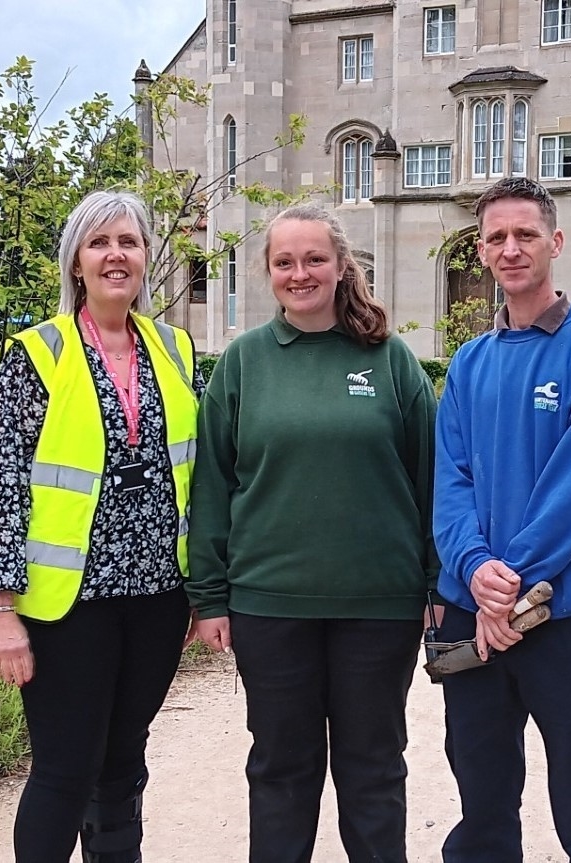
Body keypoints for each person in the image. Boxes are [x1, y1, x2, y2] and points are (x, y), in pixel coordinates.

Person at [0, 189, 203, 863]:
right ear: (76, 261)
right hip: (68, 606)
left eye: (129, 242)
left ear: (146, 257)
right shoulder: (39, 353)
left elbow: (200, 474)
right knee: (65, 770)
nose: (116, 255)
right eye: (99, 243)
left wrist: (204, 587)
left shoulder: (175, 349)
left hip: (157, 599)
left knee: (123, 764)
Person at [185, 203, 438, 863]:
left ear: (341, 265)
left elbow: (432, 479)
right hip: (269, 605)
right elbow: (212, 485)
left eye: (314, 258)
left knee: (374, 768)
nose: (300, 273)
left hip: (380, 606)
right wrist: (209, 596)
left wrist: (437, 583)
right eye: (285, 261)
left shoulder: (390, 361)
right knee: (281, 770)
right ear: (268, 271)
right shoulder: (243, 363)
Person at [432, 176, 571, 862]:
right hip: (474, 616)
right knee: (482, 805)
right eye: (496, 237)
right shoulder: (469, 364)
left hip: (564, 616)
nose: (511, 248)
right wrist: (476, 572)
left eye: (525, 234)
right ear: (481, 251)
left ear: (556, 242)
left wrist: (509, 584)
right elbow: (451, 484)